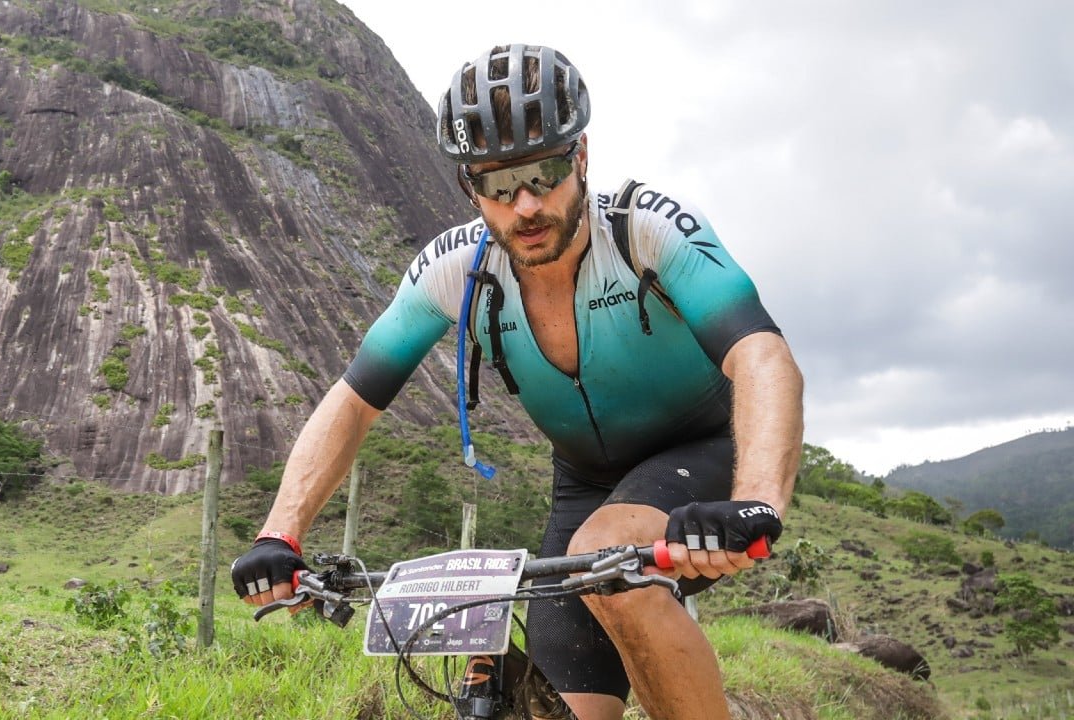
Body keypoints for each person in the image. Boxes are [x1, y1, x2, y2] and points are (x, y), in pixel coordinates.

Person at [231, 44, 804, 720]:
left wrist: (757, 499)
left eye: (544, 172)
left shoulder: (644, 230)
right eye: (499, 185)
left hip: (704, 451)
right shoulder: (454, 272)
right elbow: (354, 401)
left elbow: (763, 355)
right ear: (469, 188)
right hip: (584, 484)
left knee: (604, 549)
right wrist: (280, 535)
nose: (526, 204)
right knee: (559, 705)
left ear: (581, 157)